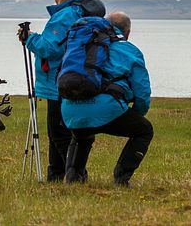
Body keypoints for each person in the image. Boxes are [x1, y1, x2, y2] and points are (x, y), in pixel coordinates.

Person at [19, 0, 105, 182]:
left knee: (59, 133)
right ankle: (56, 174)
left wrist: (29, 38)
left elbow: (49, 49)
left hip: (59, 81)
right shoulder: (82, 12)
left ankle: (74, 175)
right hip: (77, 77)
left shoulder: (65, 15)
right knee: (61, 131)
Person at [61, 11, 153, 186]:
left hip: (70, 109)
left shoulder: (82, 46)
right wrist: (136, 114)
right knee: (144, 130)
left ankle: (73, 178)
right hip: (108, 108)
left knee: (81, 134)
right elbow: (142, 92)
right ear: (128, 32)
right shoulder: (130, 50)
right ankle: (121, 178)